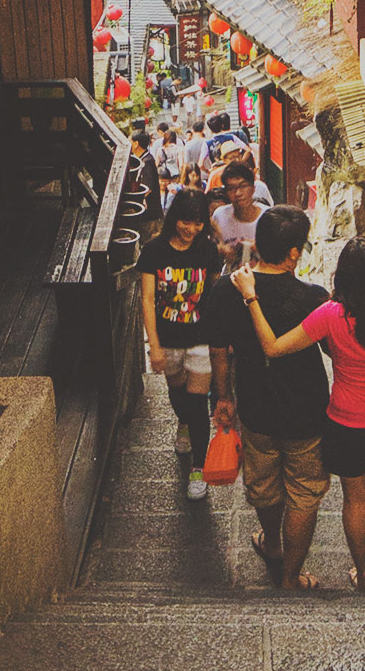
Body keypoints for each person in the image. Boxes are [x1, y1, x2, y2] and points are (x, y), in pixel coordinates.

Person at [233, 235, 365, 592]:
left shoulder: (330, 316)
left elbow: (273, 346)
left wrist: (251, 296)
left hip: (344, 422)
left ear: (341, 276)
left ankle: (362, 571)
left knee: (354, 498)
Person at [205, 207, 330, 591]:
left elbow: (219, 350)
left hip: (255, 406)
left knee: (263, 484)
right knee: (304, 490)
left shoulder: (227, 290)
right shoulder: (313, 297)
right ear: (294, 253)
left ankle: (272, 543)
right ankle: (291, 577)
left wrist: (223, 397)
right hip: (306, 410)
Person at [138, 188, 221, 500]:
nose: (192, 229)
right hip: (168, 336)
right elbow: (147, 300)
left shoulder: (208, 250)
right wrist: (154, 346)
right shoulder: (154, 251)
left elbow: (213, 295)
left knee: (198, 403)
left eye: (198, 223)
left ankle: (198, 468)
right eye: (186, 222)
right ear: (175, 219)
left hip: (201, 337)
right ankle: (182, 423)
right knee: (177, 394)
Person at [211, 161, 268, 268]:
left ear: (253, 188)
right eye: (231, 188)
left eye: (243, 186)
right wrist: (221, 250)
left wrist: (259, 247)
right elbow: (213, 246)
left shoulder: (268, 217)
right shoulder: (220, 216)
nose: (238, 193)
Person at [206, 144, 274, 207]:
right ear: (224, 160)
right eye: (232, 158)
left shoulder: (255, 181)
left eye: (238, 156)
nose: (237, 160)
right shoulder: (215, 175)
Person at [130, 130, 163, 241]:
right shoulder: (141, 160)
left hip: (151, 216)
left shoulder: (147, 161)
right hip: (147, 216)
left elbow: (147, 189)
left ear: (136, 143)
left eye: (130, 140)